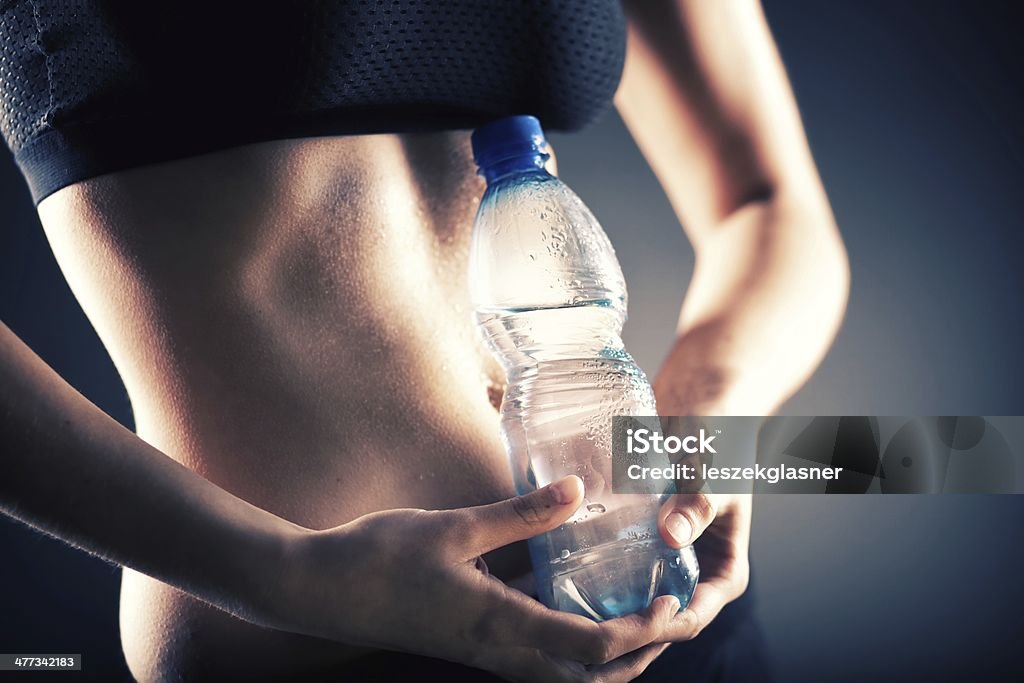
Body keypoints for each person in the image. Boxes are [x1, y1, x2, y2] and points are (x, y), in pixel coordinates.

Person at [0, 1, 848, 681]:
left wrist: (714, 414)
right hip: (324, 642)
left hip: (654, 596)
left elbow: (768, 199)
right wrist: (281, 571)